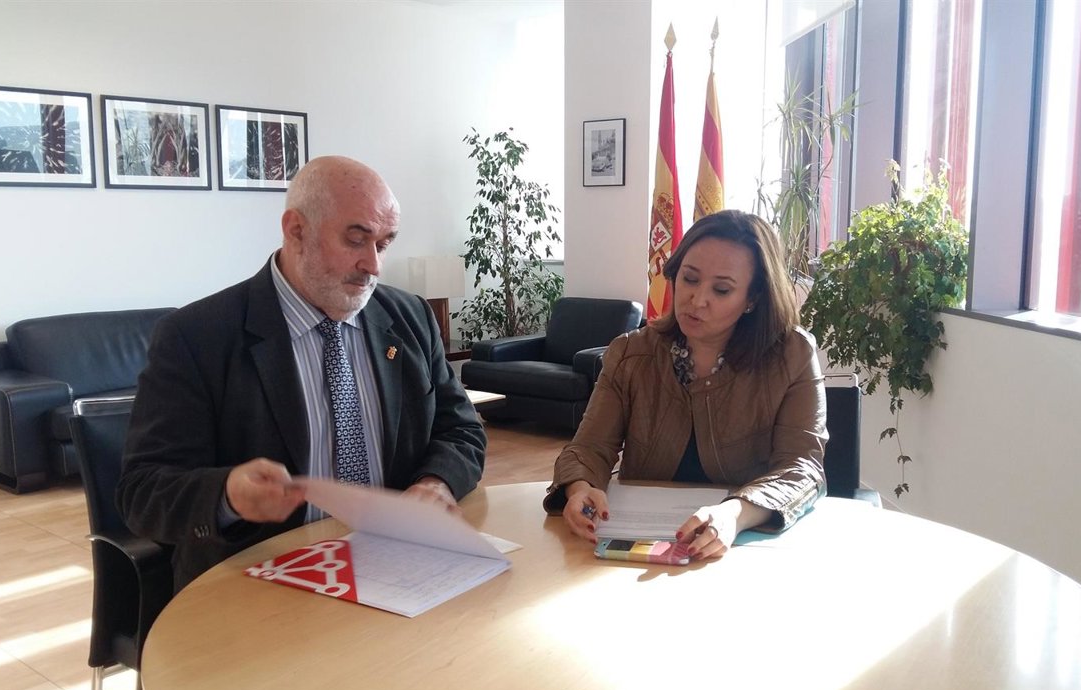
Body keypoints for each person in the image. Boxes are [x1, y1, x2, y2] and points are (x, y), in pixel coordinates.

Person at [117, 156, 487, 591]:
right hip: (260, 584)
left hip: (397, 569)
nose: (374, 265)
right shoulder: (198, 337)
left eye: (384, 244)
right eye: (356, 239)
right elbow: (142, 492)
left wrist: (436, 482)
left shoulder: (409, 318)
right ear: (296, 230)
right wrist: (227, 494)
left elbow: (462, 430)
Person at [545, 209, 826, 560]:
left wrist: (734, 514)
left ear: (752, 299)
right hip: (639, 545)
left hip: (741, 543)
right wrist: (579, 488)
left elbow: (802, 468)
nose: (697, 300)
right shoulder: (631, 353)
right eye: (690, 279)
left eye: (721, 289)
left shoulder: (792, 354)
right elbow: (587, 449)